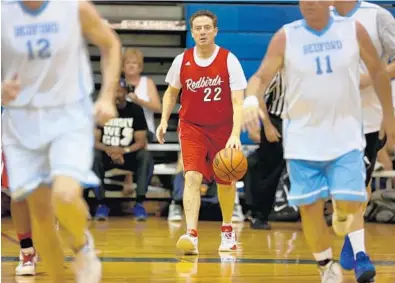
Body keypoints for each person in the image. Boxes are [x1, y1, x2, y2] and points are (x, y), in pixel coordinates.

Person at [242, 1, 395, 282]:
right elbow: (261, 77)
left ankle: (341, 212)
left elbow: (377, 71)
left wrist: (390, 118)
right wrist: (251, 100)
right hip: (303, 137)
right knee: (309, 207)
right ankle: (326, 267)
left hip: (346, 134)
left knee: (351, 200)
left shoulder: (353, 29)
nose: (309, 2)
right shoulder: (286, 36)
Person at [1, 1, 121, 282]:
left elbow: (110, 44)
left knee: (65, 195)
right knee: (40, 215)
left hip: (68, 116)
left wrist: (106, 96)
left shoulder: (74, 8)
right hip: (22, 123)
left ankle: (81, 243)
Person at [156, 10, 247, 255]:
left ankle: (227, 231)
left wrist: (235, 135)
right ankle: (191, 235)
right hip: (192, 127)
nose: (203, 32)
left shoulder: (229, 60)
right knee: (192, 177)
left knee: (225, 181)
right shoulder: (181, 60)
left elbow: (238, 102)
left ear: (215, 31)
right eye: (198, 28)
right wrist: (164, 120)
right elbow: (171, 93)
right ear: (192, 31)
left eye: (207, 27)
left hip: (222, 128)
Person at [331, 1, 395, 280]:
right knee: (349, 188)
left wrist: (369, 79)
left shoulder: (377, 16)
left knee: (361, 186)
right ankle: (360, 256)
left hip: (369, 116)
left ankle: (351, 241)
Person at [94, 82, 152, 221]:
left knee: (146, 156)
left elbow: (141, 141)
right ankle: (101, 203)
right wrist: (110, 150)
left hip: (128, 155)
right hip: (106, 155)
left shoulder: (135, 110)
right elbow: (94, 141)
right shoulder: (102, 111)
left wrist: (123, 151)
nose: (116, 95)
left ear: (126, 92)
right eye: (113, 91)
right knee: (93, 156)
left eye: (119, 91)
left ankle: (139, 203)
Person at [122, 48, 162, 142]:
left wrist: (138, 101)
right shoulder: (118, 84)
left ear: (140, 67)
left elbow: (157, 108)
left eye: (135, 63)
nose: (131, 66)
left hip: (145, 130)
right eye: (128, 63)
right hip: (122, 129)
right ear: (123, 67)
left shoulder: (147, 82)